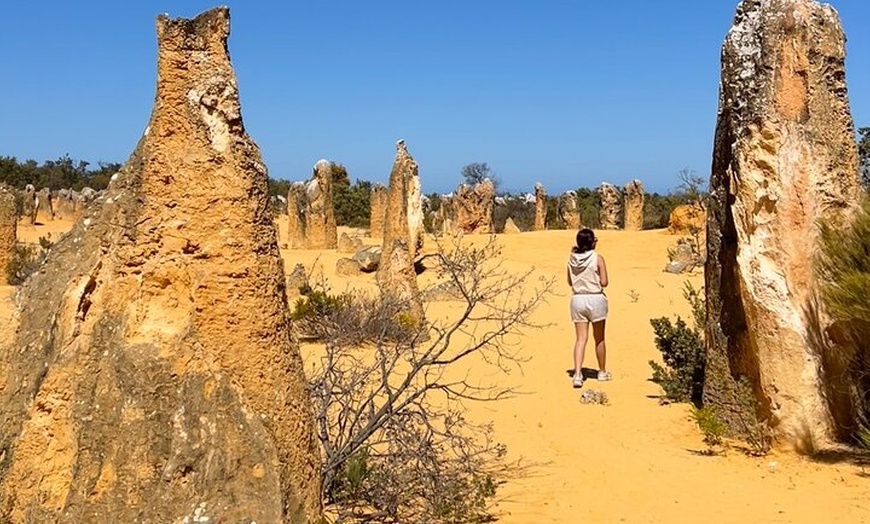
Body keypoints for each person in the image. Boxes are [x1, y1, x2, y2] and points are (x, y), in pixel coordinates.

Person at [566, 228, 610, 388]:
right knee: (599, 339)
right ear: (592, 242)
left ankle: (577, 374)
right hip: (596, 298)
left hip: (577, 299)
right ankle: (602, 371)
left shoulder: (571, 259)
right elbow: (604, 282)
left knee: (580, 339)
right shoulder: (598, 258)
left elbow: (570, 282)